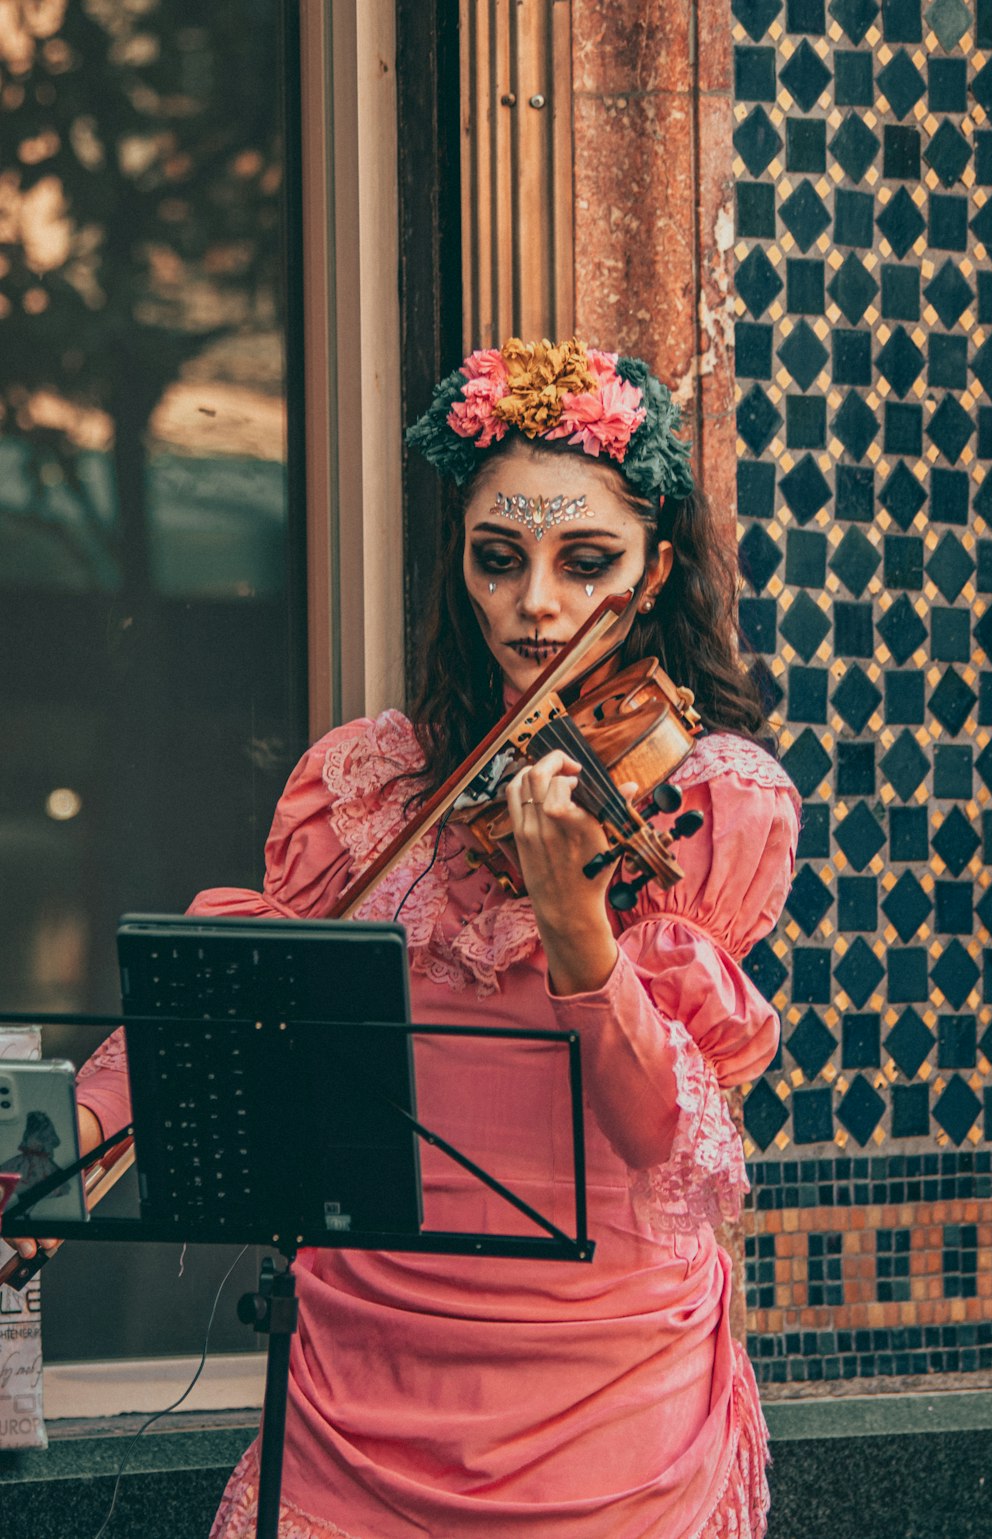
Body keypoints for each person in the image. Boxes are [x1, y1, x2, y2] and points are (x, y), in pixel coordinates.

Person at [69, 338, 799, 1537]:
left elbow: (664, 1134)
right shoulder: (365, 783)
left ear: (658, 569)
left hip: (600, 1392)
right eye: (498, 561)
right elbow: (239, 993)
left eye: (587, 561)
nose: (538, 606)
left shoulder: (709, 800)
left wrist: (578, 929)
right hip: (364, 1371)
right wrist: (70, 1135)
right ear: (457, 563)